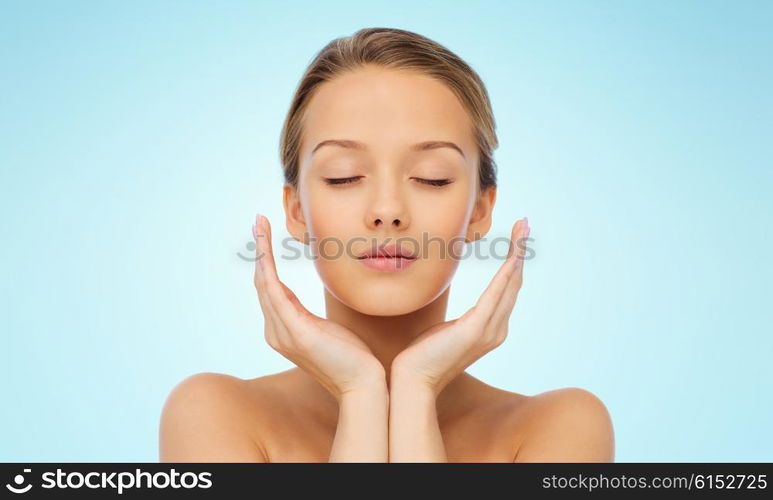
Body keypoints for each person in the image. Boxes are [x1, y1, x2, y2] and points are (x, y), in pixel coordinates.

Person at [159, 27, 614, 463]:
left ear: (480, 210)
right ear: (296, 210)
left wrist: (417, 386)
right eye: (345, 176)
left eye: (431, 177)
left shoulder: (558, 428)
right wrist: (361, 392)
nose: (387, 210)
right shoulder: (215, 416)